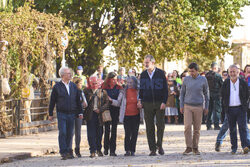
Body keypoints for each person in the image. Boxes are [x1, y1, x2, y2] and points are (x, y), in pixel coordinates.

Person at [48, 67, 83, 160]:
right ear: (63, 75)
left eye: (70, 73)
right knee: (63, 132)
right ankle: (63, 151)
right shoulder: (57, 87)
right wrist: (50, 113)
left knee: (70, 133)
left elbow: (77, 100)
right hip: (62, 113)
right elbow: (52, 101)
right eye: (68, 74)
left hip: (72, 113)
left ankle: (68, 150)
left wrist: (80, 112)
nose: (70, 75)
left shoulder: (73, 86)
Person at [138, 55, 168, 156]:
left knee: (160, 125)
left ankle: (159, 145)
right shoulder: (143, 74)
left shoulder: (160, 73)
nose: (145, 64)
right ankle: (152, 149)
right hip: (147, 103)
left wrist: (164, 101)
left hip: (159, 102)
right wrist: (140, 100)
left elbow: (165, 89)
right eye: (145, 63)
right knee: (149, 126)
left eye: (147, 63)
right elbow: (141, 89)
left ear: (153, 62)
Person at [180, 62, 209, 155]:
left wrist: (206, 107)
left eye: (192, 71)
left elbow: (207, 94)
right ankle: (188, 147)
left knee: (197, 128)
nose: (191, 73)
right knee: (187, 126)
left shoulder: (203, 79)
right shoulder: (186, 79)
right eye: (190, 71)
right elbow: (182, 93)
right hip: (187, 105)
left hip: (199, 106)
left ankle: (195, 147)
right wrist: (181, 105)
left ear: (197, 71)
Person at [109, 76, 142, 156]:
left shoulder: (138, 92)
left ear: (135, 83)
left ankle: (132, 150)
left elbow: (142, 103)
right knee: (127, 133)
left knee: (134, 133)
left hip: (136, 115)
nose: (129, 84)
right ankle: (127, 150)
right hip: (126, 115)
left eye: (131, 82)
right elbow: (118, 103)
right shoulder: (123, 92)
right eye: (128, 82)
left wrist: (141, 105)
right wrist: (111, 101)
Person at [221, 65, 249, 154]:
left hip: (241, 108)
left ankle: (245, 146)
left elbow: (247, 94)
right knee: (232, 129)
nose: (232, 73)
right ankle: (234, 148)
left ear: (238, 72)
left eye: (234, 72)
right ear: (229, 73)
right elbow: (223, 95)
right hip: (230, 109)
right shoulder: (225, 83)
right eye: (231, 72)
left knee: (243, 128)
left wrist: (244, 106)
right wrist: (225, 106)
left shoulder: (243, 82)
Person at [83, 76, 109, 158]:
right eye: (93, 83)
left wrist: (100, 109)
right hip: (90, 114)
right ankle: (92, 150)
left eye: (96, 83)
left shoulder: (103, 92)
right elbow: (84, 102)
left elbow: (107, 103)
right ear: (90, 83)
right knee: (91, 133)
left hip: (99, 115)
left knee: (100, 133)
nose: (94, 85)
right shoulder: (86, 91)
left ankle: (99, 149)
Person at [102, 72, 123, 156]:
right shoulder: (104, 87)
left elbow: (119, 101)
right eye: (113, 79)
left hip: (115, 110)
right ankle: (106, 148)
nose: (114, 81)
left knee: (114, 130)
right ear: (109, 79)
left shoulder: (119, 88)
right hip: (107, 110)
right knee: (107, 130)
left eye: (116, 79)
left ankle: (113, 150)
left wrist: (111, 100)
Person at [72, 77, 88, 158]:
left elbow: (85, 103)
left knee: (78, 132)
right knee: (71, 132)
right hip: (71, 113)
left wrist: (82, 104)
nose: (81, 85)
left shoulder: (81, 92)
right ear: (76, 83)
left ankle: (77, 148)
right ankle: (69, 149)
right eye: (80, 83)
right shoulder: (72, 91)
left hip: (79, 113)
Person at [205, 62, 223, 130]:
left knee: (209, 110)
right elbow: (222, 85)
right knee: (217, 110)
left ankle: (208, 125)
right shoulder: (218, 76)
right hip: (217, 94)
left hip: (208, 94)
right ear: (215, 68)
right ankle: (216, 125)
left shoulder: (206, 75)